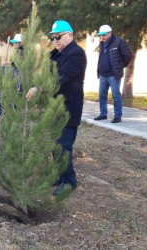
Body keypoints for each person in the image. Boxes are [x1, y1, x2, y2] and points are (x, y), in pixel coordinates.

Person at [26, 20, 87, 196]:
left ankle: (69, 182)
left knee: (63, 147)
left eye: (58, 37)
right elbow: (44, 72)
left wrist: (40, 88)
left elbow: (62, 77)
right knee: (54, 145)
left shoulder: (76, 54)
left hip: (68, 109)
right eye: (52, 38)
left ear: (70, 35)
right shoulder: (56, 54)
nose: (55, 41)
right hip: (53, 108)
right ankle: (60, 177)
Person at [94, 25, 133, 123]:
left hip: (113, 75)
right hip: (103, 74)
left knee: (116, 96)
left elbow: (128, 55)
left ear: (109, 33)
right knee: (102, 95)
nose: (102, 37)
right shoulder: (102, 44)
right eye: (100, 36)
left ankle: (117, 116)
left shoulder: (119, 42)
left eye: (103, 35)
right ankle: (103, 114)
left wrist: (120, 66)